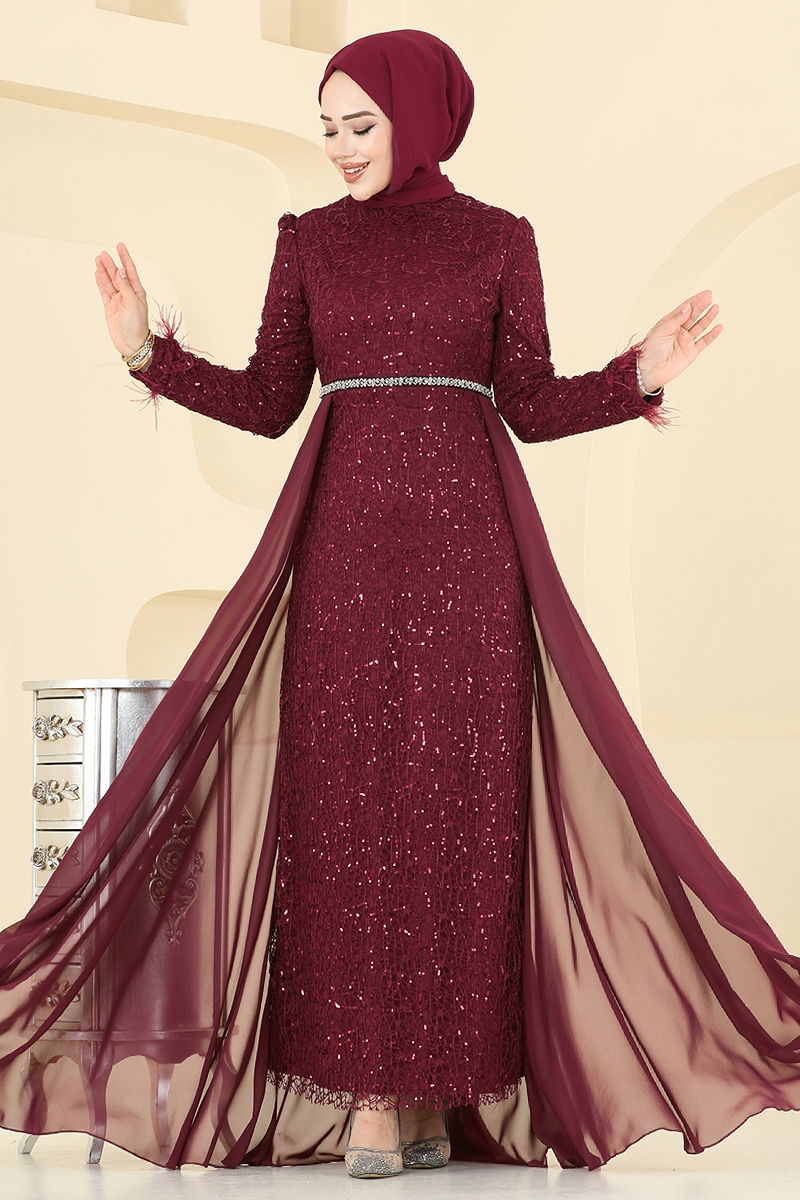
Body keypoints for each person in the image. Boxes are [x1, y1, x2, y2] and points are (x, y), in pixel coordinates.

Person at [2, 27, 798, 1183]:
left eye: (358, 124)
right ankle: (369, 1096)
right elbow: (270, 400)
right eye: (325, 126)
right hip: (343, 552)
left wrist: (639, 374)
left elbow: (529, 401)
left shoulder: (497, 238)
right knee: (346, 811)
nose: (337, 147)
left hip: (471, 560)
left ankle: (433, 1087)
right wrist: (146, 358)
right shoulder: (310, 240)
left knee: (455, 817)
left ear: (420, 119)